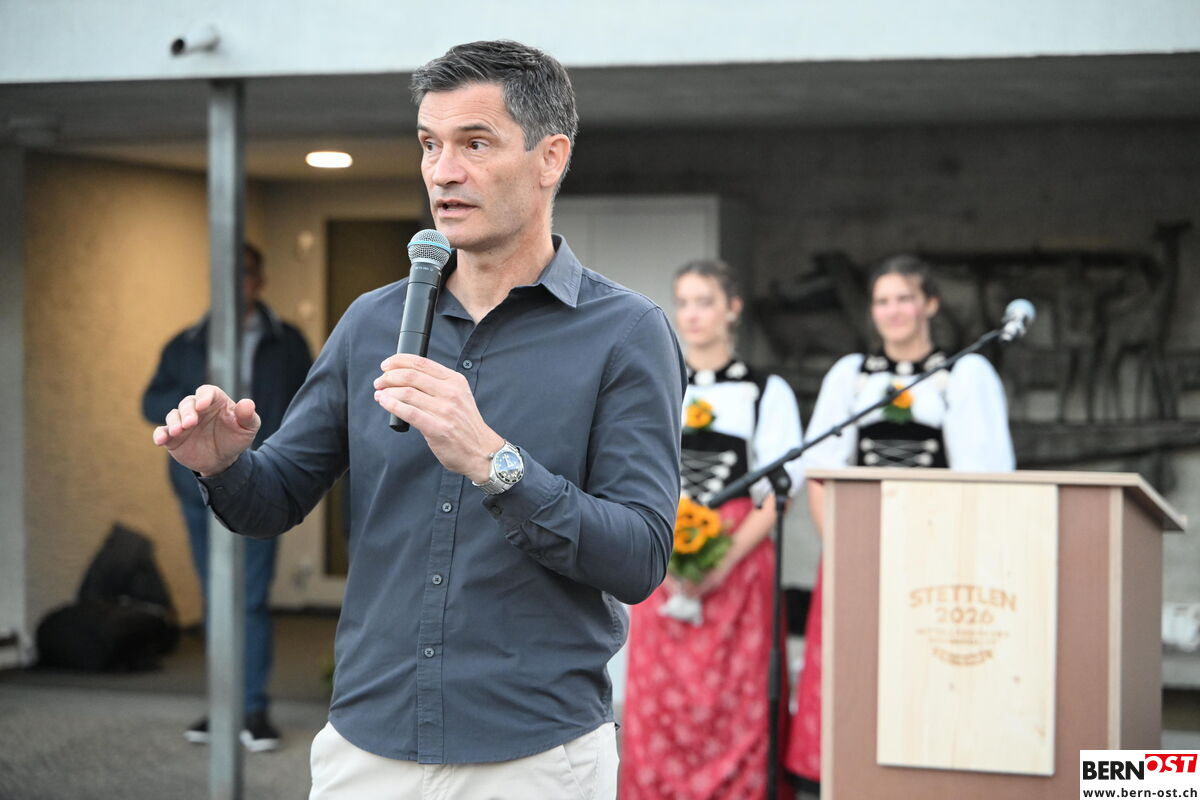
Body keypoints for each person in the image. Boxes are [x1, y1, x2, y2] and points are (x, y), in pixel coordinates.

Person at [149, 40, 684, 800]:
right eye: (430, 144)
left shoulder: (626, 333)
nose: (442, 171)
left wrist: (496, 463)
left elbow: (639, 558)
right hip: (366, 745)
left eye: (475, 143)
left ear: (550, 158)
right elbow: (274, 500)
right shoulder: (372, 322)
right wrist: (223, 464)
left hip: (531, 755)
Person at [784, 254, 1014, 791]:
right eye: (882, 301)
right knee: (852, 672)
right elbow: (819, 471)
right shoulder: (852, 376)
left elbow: (985, 477)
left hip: (938, 555)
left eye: (905, 298)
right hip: (856, 552)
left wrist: (948, 557)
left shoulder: (962, 373)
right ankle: (843, 777)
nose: (893, 311)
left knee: (925, 674)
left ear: (930, 304)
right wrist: (846, 553)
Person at [620, 260, 804, 800]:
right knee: (662, 694)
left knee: (735, 694)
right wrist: (667, 555)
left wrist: (720, 563)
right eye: (684, 302)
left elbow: (778, 495)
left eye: (705, 302)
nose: (692, 314)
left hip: (738, 560)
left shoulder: (764, 390)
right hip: (663, 552)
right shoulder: (654, 380)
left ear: (732, 309)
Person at [141, 243, 312, 751]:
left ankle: (252, 710)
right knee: (216, 597)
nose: (236, 283)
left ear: (260, 280)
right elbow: (151, 400)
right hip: (198, 487)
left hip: (264, 480)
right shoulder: (186, 342)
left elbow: (312, 405)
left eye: (245, 273)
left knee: (249, 598)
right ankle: (222, 706)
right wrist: (191, 411)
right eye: (226, 274)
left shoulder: (288, 342)